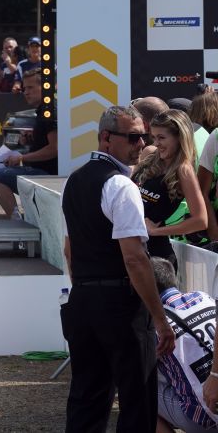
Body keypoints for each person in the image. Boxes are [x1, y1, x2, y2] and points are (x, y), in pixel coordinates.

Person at [60, 105, 175, 432]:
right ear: (106, 138)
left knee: (87, 399)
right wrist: (159, 318)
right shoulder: (121, 186)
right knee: (138, 400)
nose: (142, 144)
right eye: (134, 137)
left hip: (83, 299)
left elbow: (69, 249)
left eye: (144, 136)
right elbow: (135, 258)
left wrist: (86, 291)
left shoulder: (74, 181)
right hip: (120, 304)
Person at [130, 109, 209, 269]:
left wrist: (156, 231)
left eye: (161, 137)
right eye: (153, 137)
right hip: (129, 247)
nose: (156, 143)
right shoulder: (150, 154)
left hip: (156, 256)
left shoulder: (183, 170)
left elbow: (201, 221)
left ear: (179, 138)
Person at [151, 257, 218, 433]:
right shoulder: (203, 296)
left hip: (204, 417)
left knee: (135, 391)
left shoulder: (154, 324)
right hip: (213, 387)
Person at [0, 71, 58, 219]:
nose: (26, 92)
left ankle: (16, 220)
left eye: (31, 88)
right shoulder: (45, 110)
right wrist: (30, 139)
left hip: (48, 176)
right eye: (25, 88)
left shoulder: (50, 111)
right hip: (42, 172)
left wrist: (21, 158)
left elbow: (54, 149)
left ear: (45, 87)